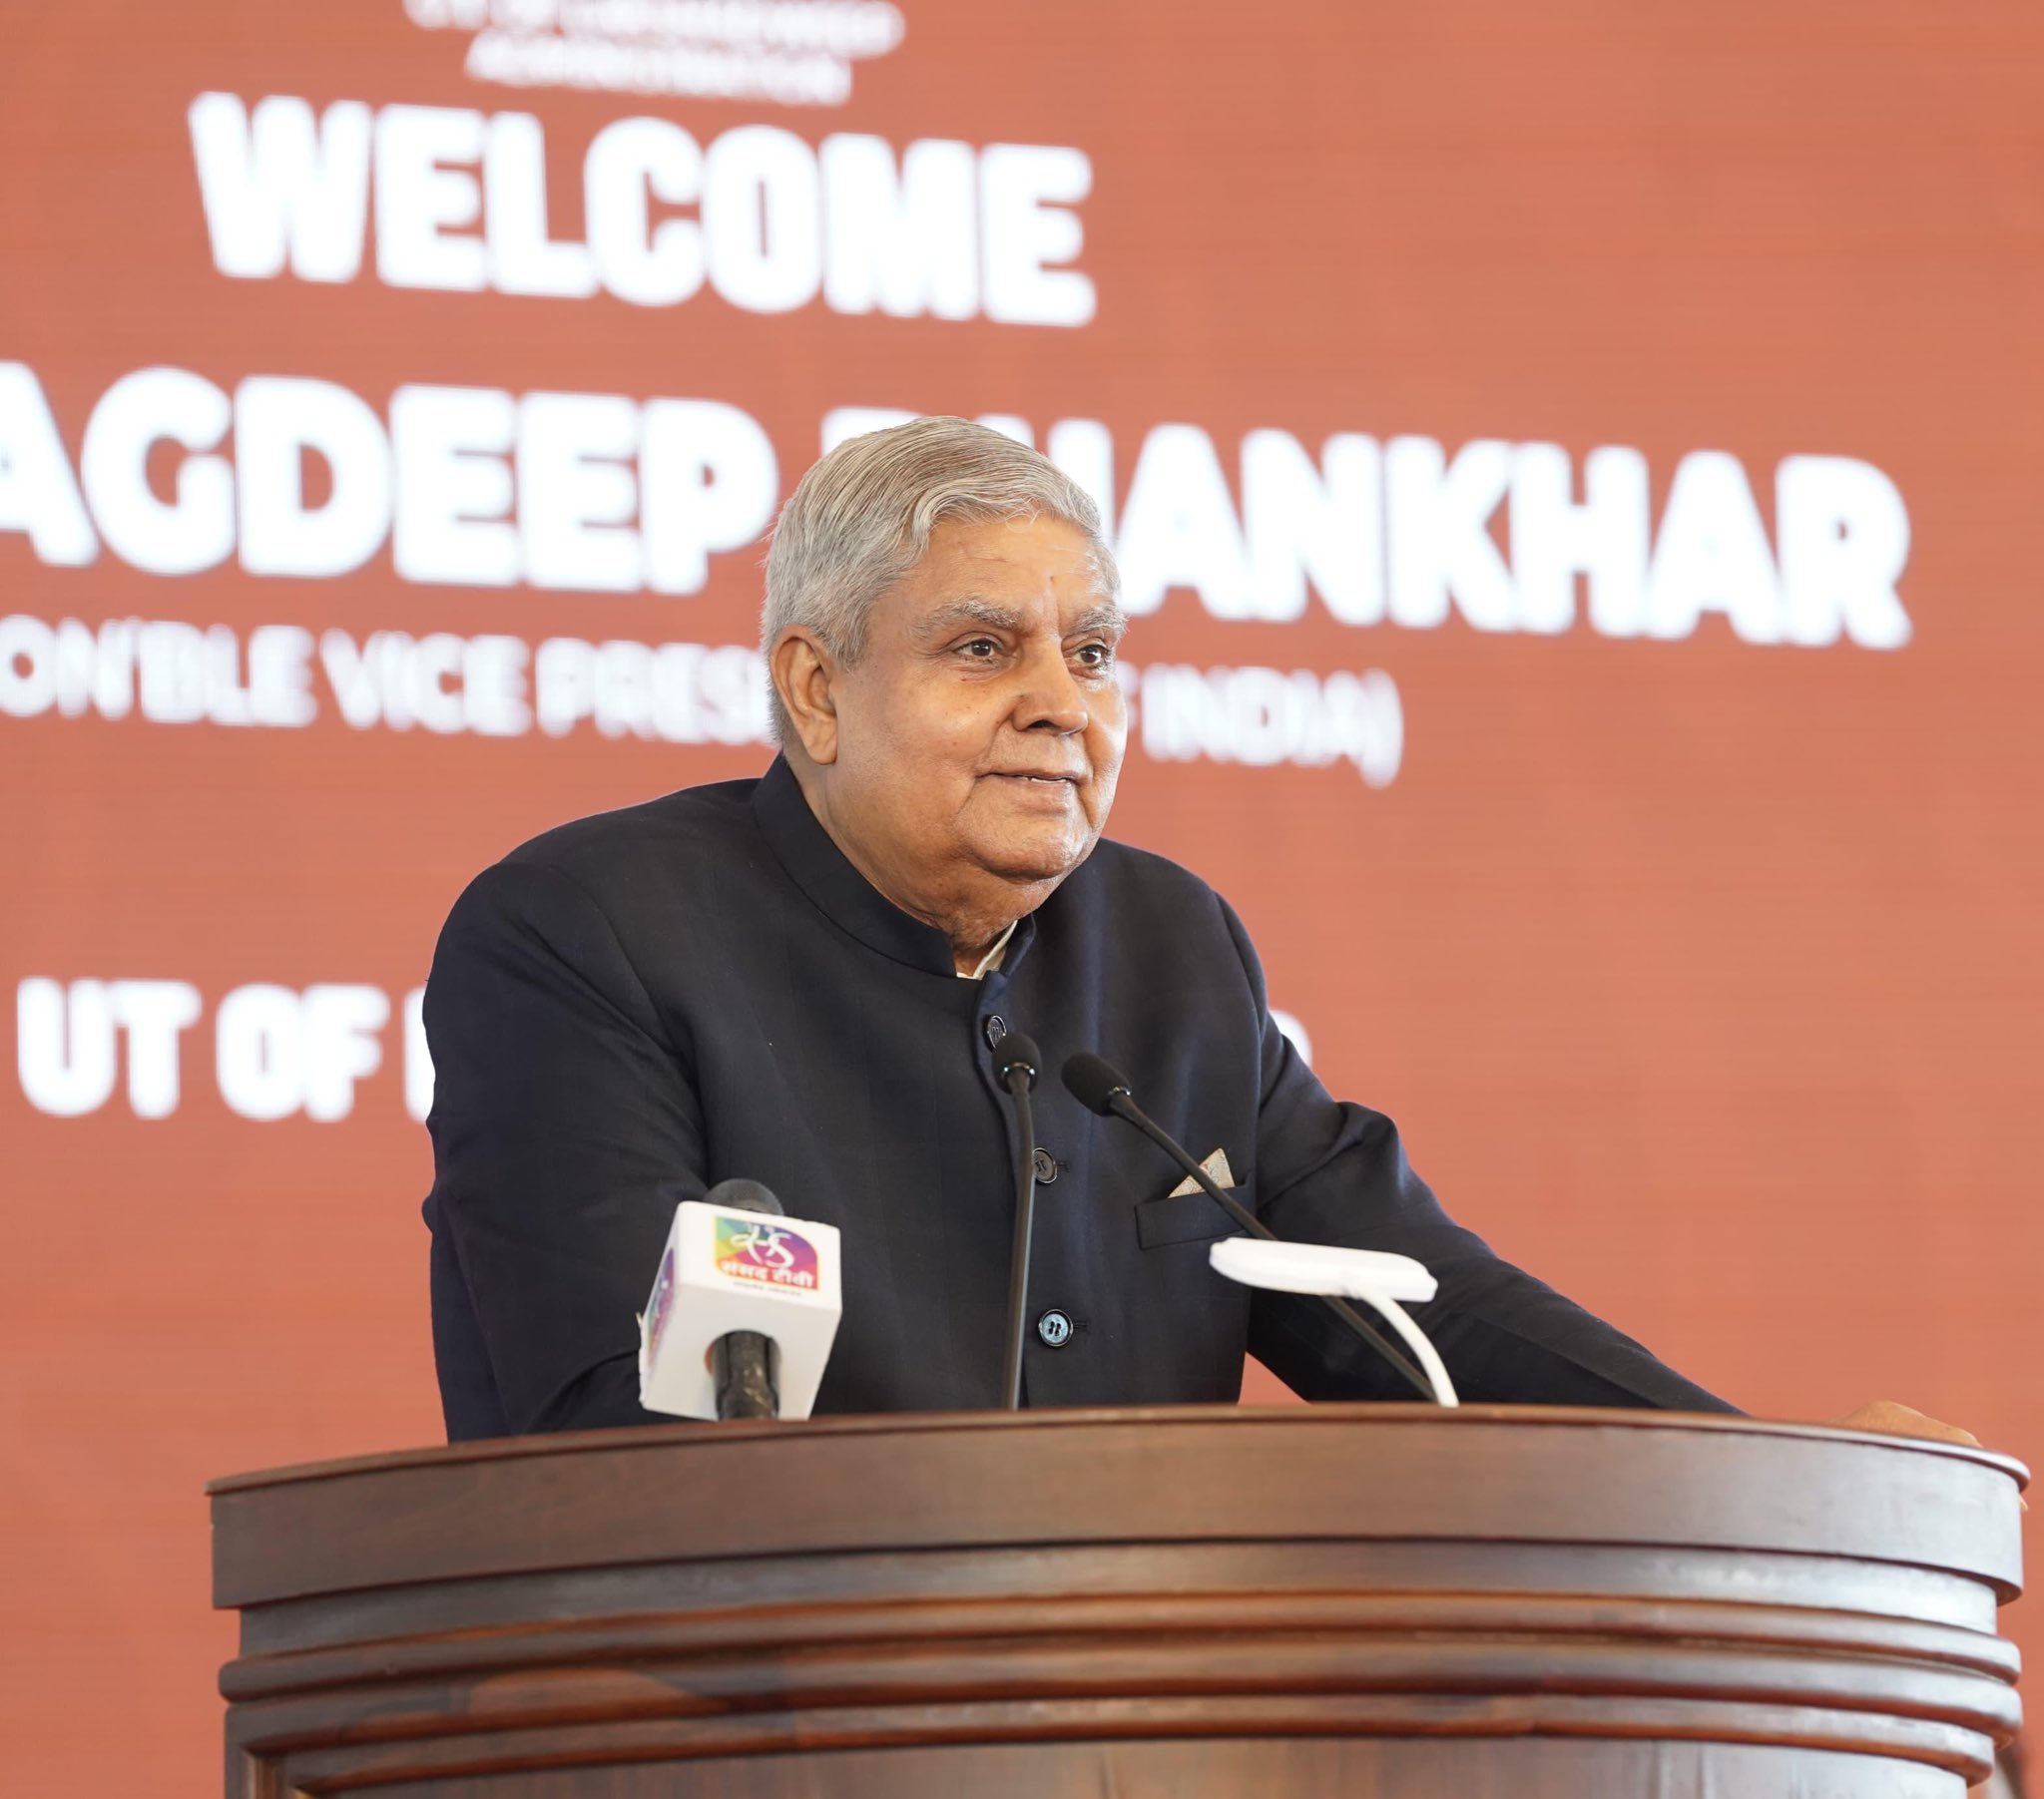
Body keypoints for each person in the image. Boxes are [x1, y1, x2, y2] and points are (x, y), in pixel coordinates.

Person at [421, 417, 1976, 1453]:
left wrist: (1767, 1479)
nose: (1060, 699)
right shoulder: (584, 935)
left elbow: (1412, 1298)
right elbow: (602, 1435)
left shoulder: (1166, 947)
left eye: (1092, 649)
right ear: (816, 690)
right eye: (983, 648)